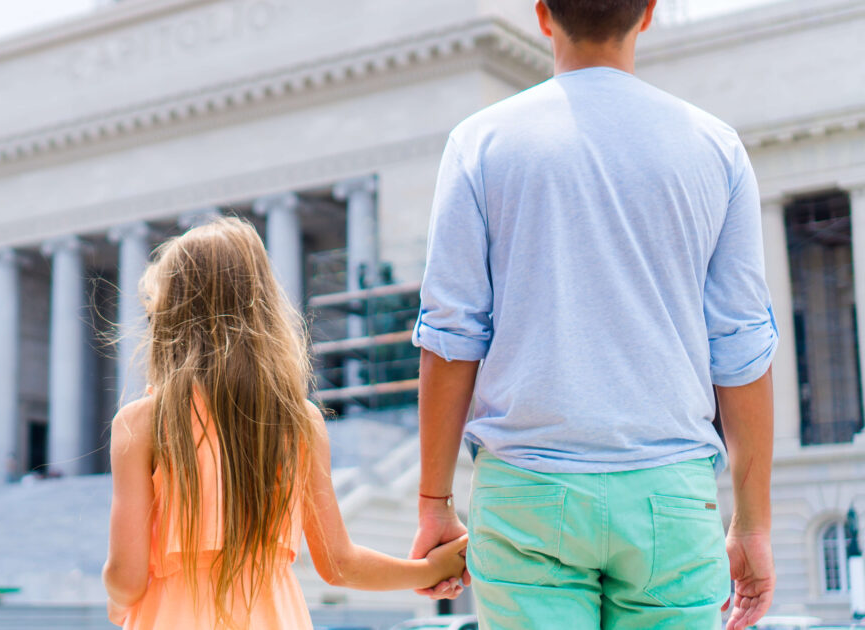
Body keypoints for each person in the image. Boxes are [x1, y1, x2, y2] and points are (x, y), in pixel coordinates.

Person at [408, 1, 777, 629]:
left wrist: (434, 501)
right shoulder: (716, 148)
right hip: (669, 494)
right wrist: (753, 523)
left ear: (544, 15)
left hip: (525, 488)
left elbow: (452, 337)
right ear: (649, 13)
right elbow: (741, 348)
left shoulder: (479, 143)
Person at [102, 218, 469, 629]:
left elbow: (126, 577)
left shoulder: (142, 423)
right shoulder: (299, 422)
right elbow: (339, 564)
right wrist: (432, 570)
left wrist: (120, 605)